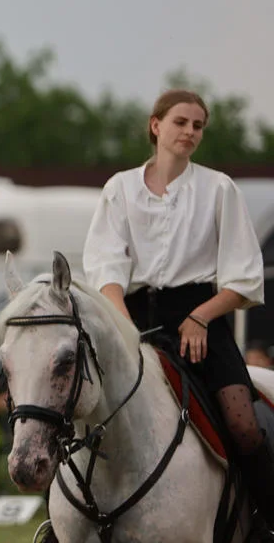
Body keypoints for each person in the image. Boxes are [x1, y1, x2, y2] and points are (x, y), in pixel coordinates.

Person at [83, 88, 273, 527]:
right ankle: (65, 521)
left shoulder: (219, 188)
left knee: (243, 425)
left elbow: (244, 277)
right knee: (77, 409)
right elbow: (105, 268)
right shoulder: (120, 188)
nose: (189, 131)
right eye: (180, 122)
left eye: (198, 125)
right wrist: (126, 332)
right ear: (156, 125)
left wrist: (200, 317)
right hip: (128, 316)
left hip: (200, 318)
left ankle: (265, 522)